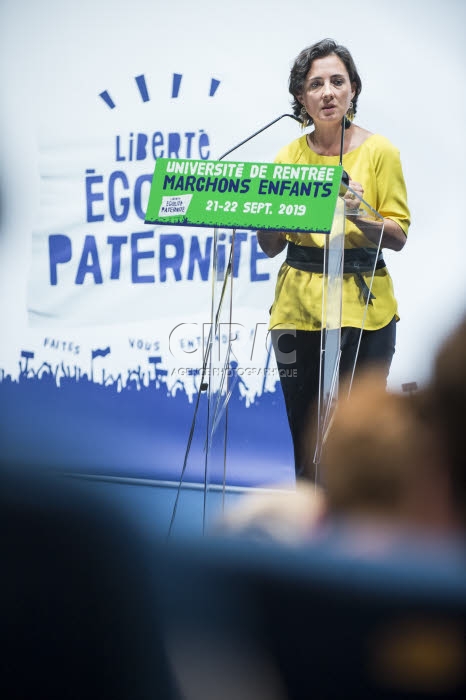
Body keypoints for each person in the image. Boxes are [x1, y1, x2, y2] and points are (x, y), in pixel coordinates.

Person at [257, 38, 410, 479]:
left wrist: (357, 209)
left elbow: (397, 237)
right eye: (316, 84)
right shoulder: (288, 157)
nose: (327, 92)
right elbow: (270, 247)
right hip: (296, 310)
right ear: (301, 98)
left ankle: (357, 535)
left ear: (353, 90)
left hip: (365, 311)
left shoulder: (381, 152)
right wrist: (263, 215)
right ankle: (311, 537)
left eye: (337, 82)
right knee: (305, 437)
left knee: (357, 438)